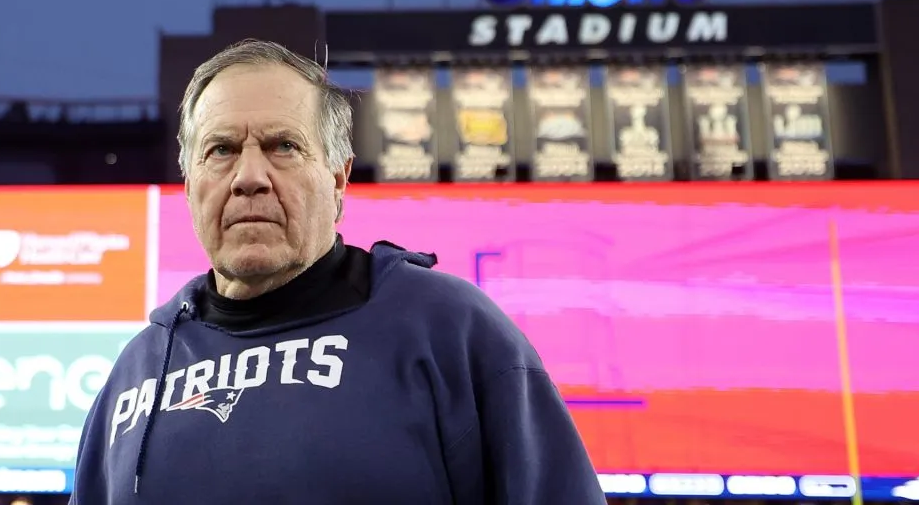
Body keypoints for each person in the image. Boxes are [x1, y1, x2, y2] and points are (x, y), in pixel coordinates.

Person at [69, 39, 607, 504]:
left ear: (338, 177)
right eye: (222, 150)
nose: (248, 177)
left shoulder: (449, 330)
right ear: (189, 186)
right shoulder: (137, 372)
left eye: (284, 146)